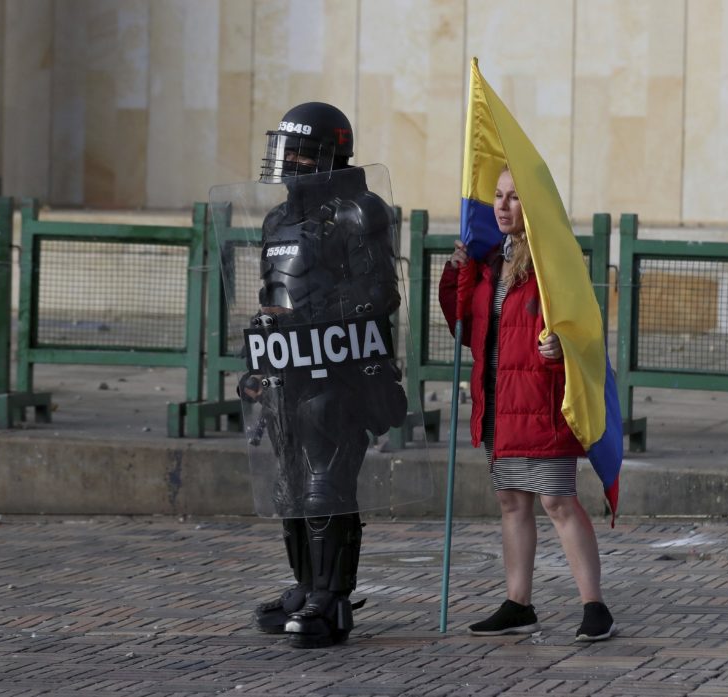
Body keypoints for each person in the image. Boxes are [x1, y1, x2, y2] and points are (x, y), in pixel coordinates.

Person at [238, 102, 407, 648]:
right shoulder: (276, 219)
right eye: (282, 149)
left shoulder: (360, 211)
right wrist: (260, 355)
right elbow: (274, 293)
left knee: (323, 487)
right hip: (285, 373)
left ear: (324, 156)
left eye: (297, 151)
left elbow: (381, 293)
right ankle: (302, 586)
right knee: (289, 486)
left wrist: (308, 318)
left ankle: (331, 598)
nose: (284, 161)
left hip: (339, 374)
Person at [439, 167, 616, 642]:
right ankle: (518, 603)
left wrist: (563, 346)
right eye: (497, 196)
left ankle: (594, 605)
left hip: (540, 400)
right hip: (498, 398)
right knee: (511, 501)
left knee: (557, 499)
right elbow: (464, 323)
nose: (501, 206)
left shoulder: (552, 259)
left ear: (532, 204)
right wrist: (456, 272)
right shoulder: (489, 258)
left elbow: (584, 325)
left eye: (513, 198)